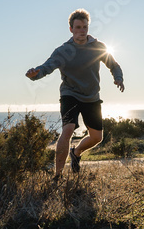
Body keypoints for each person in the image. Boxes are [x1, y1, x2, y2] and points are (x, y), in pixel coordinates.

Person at [25, 9, 124, 177]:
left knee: (97, 138)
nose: (82, 31)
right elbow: (47, 66)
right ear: (71, 29)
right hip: (70, 94)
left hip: (91, 96)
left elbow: (113, 65)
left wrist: (118, 78)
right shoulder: (62, 51)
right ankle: (57, 176)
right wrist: (36, 75)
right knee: (68, 130)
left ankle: (76, 152)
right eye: (78, 27)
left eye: (85, 27)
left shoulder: (98, 46)